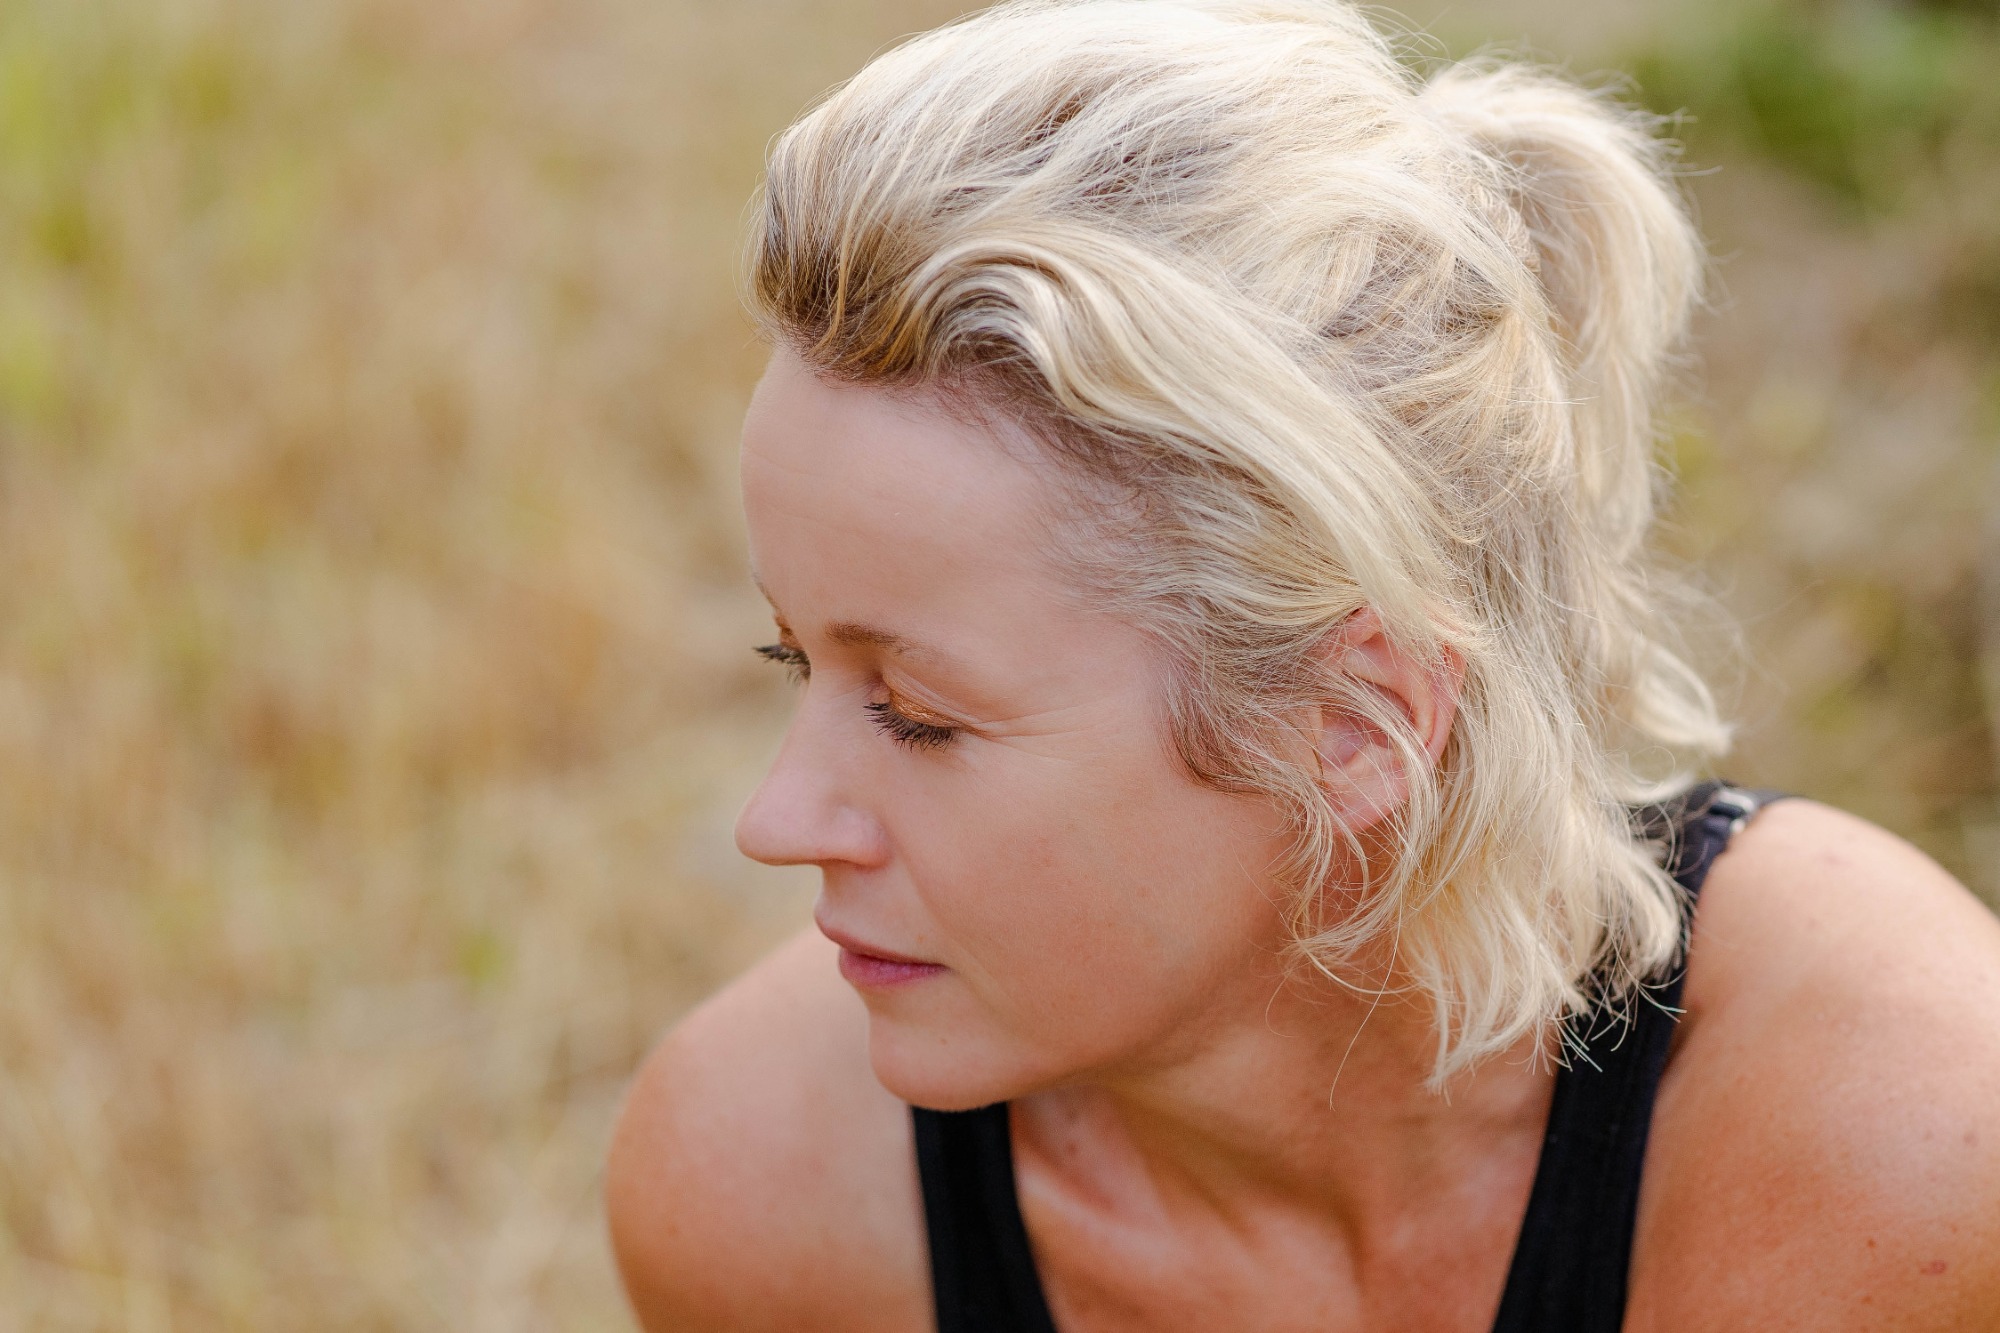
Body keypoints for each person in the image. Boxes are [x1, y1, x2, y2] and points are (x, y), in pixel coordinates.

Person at [605, 2, 2000, 1328]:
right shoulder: (772, 1197)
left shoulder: (1897, 1157)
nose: (775, 821)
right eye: (792, 657)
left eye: (919, 715)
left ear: (1353, 722)